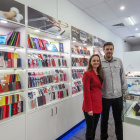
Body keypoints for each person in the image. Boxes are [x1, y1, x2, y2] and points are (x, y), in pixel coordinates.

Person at [100, 42, 127, 140]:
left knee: (118, 120)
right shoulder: (99, 62)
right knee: (104, 120)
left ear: (113, 50)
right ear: (103, 50)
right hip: (105, 96)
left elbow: (122, 76)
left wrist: (124, 90)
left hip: (118, 96)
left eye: (111, 49)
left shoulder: (119, 61)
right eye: (107, 49)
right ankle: (104, 138)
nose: (109, 51)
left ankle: (120, 138)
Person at [82, 54, 103, 140]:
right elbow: (86, 92)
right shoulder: (87, 74)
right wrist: (89, 108)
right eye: (94, 60)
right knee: (90, 130)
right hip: (90, 106)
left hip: (98, 104)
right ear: (90, 62)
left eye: (97, 60)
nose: (96, 62)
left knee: (94, 128)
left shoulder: (100, 73)